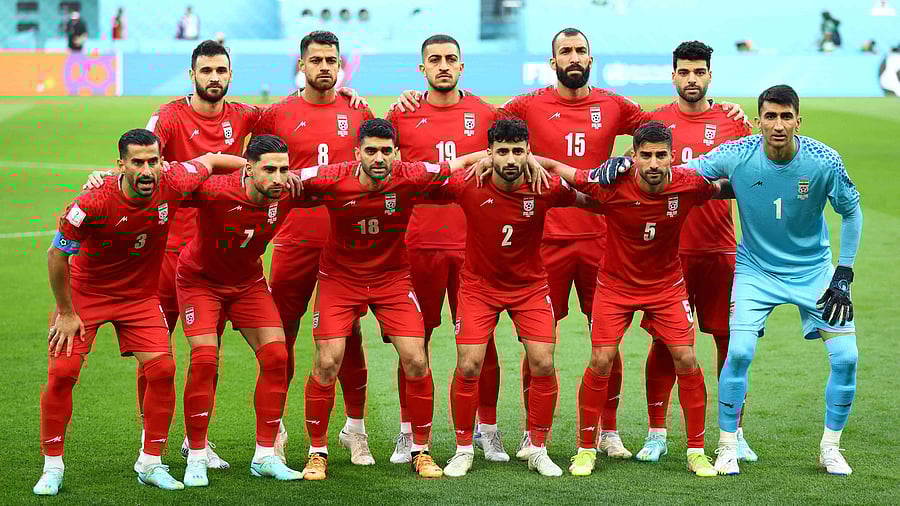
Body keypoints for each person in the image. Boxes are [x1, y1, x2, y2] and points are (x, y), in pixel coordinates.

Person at [392, 27, 747, 461]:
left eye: (580, 51)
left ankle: (608, 431)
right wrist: (415, 100)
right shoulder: (527, 105)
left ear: (590, 59)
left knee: (606, 345)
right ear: (553, 60)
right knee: (537, 346)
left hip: (602, 239)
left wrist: (719, 111)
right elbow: (489, 126)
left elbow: (661, 130)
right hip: (545, 240)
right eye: (566, 51)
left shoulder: (614, 105)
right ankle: (531, 435)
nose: (573, 57)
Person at [32, 129, 246, 495]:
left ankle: (150, 462)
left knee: (162, 370)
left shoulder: (174, 181)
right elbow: (57, 255)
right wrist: (66, 312)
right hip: (86, 294)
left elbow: (211, 161)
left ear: (162, 161)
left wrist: (255, 169)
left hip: (140, 298)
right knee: (62, 374)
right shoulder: (92, 202)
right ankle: (53, 467)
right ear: (120, 165)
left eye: (153, 161)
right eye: (137, 163)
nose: (147, 171)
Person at [682, 85, 862, 476]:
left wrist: (843, 274)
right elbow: (685, 172)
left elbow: (851, 211)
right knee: (739, 352)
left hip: (813, 271)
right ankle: (727, 447)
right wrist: (629, 166)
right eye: (770, 116)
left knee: (847, 358)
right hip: (756, 270)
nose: (778, 125)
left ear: (798, 121)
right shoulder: (738, 153)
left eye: (786, 117)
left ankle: (831, 448)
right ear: (758, 121)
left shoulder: (824, 161)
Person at [298, 118, 487, 480]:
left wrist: (498, 157)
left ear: (397, 153)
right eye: (371, 150)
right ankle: (316, 452)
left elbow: (459, 163)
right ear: (357, 153)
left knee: (416, 359)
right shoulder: (331, 176)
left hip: (392, 280)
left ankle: (421, 450)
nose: (379, 158)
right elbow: (285, 178)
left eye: (386, 151)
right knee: (327, 360)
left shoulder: (410, 175)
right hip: (340, 279)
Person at [541, 121, 726, 477]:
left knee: (687, 358)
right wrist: (514, 162)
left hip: (666, 286)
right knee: (601, 359)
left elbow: (728, 186)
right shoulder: (611, 184)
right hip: (616, 286)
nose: (654, 164)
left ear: (672, 156)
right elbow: (557, 169)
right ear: (634, 156)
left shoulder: (688, 184)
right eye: (646, 156)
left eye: (661, 156)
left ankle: (696, 451)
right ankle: (586, 449)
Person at [384, 34, 509, 465]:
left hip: (474, 243)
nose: (443, 65)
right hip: (417, 242)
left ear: (461, 66)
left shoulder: (486, 113)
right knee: (413, 342)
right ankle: (408, 432)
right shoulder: (401, 114)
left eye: (450, 59)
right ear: (422, 69)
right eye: (434, 59)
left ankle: (488, 430)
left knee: (482, 342)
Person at [253, 30, 375, 466]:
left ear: (340, 65)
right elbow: (253, 168)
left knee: (350, 334)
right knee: (281, 332)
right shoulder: (276, 114)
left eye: (331, 60)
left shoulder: (358, 111)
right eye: (317, 60)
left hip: (346, 240)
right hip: (294, 238)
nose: (325, 67)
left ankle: (355, 429)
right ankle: (275, 428)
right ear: (301, 65)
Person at [436, 119, 578, 478]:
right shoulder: (468, 184)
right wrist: (472, 161)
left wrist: (548, 165)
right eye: (502, 152)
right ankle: (464, 449)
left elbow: (592, 194)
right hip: (479, 287)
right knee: (469, 364)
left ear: (529, 152)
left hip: (529, 288)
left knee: (543, 362)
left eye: (518, 151)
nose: (511, 159)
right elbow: (428, 179)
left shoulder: (544, 186)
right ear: (490, 153)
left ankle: (538, 448)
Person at [144, 39, 262, 469]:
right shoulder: (169, 117)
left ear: (230, 75)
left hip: (217, 253)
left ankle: (198, 440)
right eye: (206, 70)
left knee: (207, 353)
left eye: (221, 70)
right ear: (191, 75)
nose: (214, 77)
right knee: (156, 351)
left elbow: (296, 111)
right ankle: (150, 441)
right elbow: (144, 161)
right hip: (167, 251)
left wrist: (345, 92)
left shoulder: (245, 114)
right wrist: (207, 164)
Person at [637, 40, 756, 464]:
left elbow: (752, 178)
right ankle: (656, 433)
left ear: (709, 75)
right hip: (668, 255)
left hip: (719, 249)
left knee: (729, 343)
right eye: (684, 72)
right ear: (673, 76)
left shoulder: (731, 121)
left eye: (699, 72)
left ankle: (734, 432)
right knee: (664, 343)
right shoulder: (655, 122)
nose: (692, 79)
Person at [177, 135, 307, 486]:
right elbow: (162, 185)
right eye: (269, 170)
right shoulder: (214, 191)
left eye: (284, 169)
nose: (278, 178)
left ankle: (265, 456)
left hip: (248, 283)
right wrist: (106, 179)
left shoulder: (289, 191)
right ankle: (197, 455)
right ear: (248, 169)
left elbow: (341, 178)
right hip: (200, 282)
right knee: (205, 359)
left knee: (277, 356)